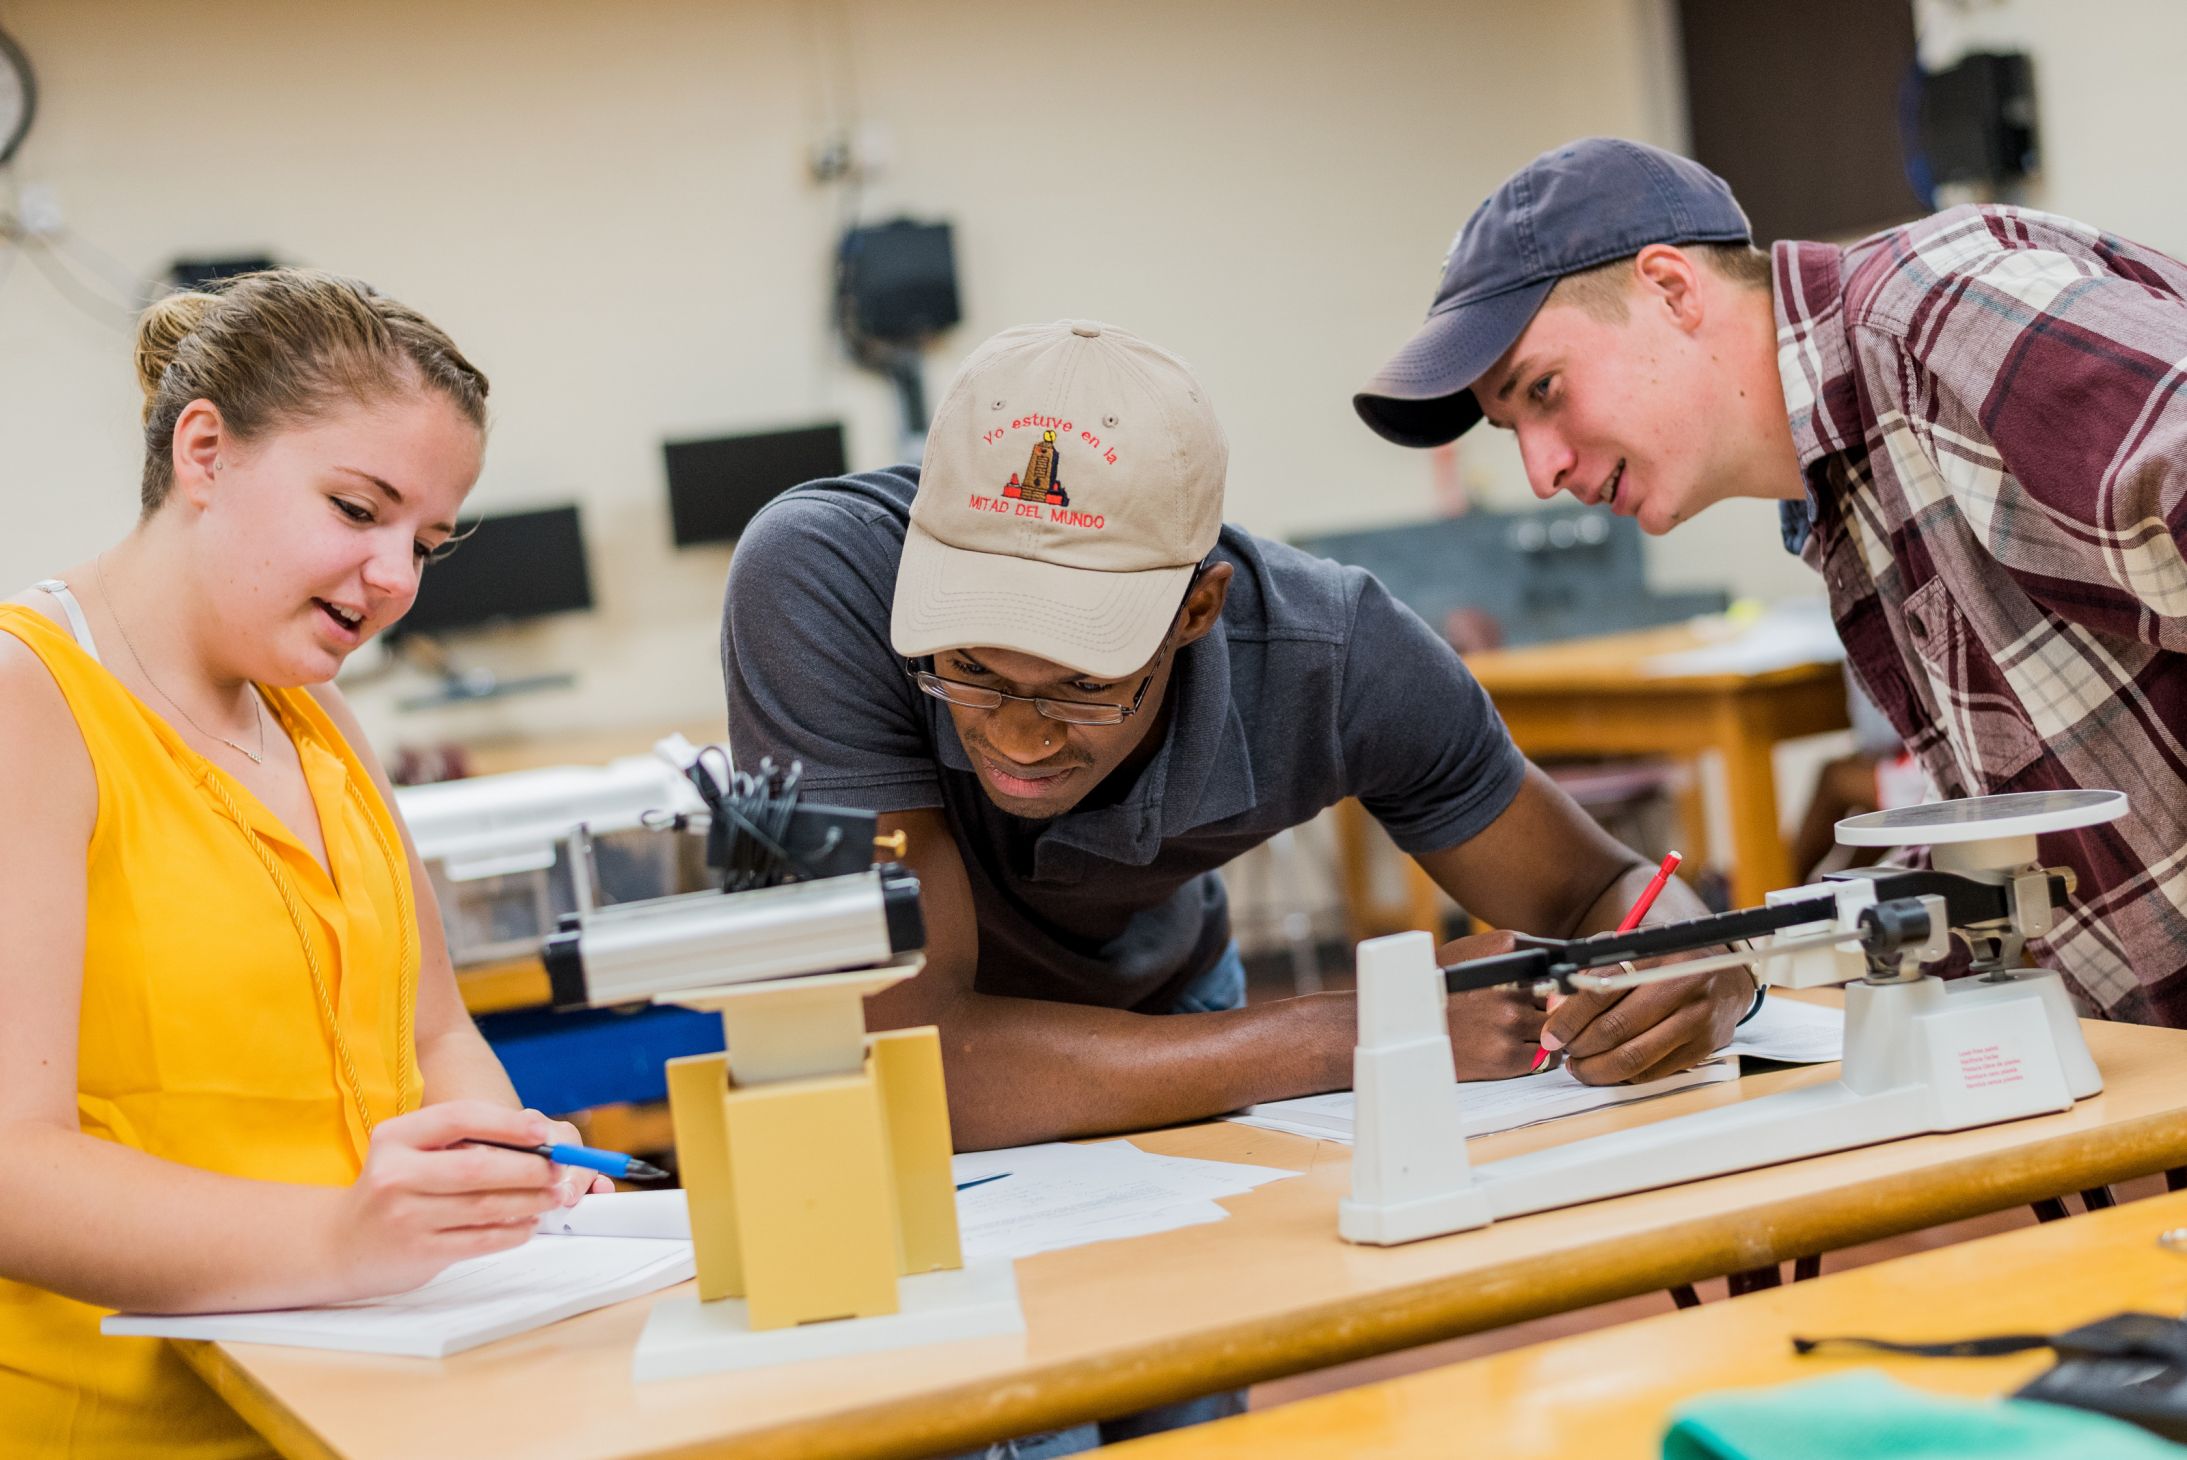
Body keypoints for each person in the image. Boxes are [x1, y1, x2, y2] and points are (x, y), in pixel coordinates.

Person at [724, 318, 1759, 1161]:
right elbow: (911, 1061)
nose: (1023, 734)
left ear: (1199, 607)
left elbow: (1605, 892)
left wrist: (1696, 960)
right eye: (971, 670)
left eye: (1086, 682)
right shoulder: (819, 580)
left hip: (1175, 1025)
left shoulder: (1336, 653)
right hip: (941, 1084)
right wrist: (1368, 1028)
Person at [1354, 137, 2187, 1029]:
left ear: (1671, 288)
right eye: (1506, 428)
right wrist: (1741, 962)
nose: (1539, 470)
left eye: (1545, 390)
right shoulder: (1844, 490)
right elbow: (2022, 850)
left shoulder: (1930, 315)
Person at [0, 271, 610, 1458]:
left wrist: (503, 1166)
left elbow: (436, 1034)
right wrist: (344, 1236)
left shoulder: (320, 724)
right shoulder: (29, 703)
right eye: (356, 508)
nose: (396, 577)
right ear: (206, 451)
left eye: (425, 541)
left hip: (365, 1402)